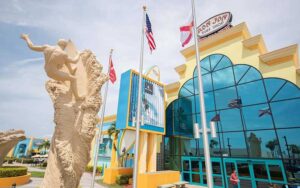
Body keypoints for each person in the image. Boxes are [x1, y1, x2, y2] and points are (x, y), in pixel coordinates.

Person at [20, 34, 84, 100]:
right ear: (64, 46)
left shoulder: (46, 47)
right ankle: (77, 97)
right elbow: (74, 61)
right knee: (73, 79)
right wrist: (78, 54)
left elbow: (31, 46)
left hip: (47, 70)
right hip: (54, 73)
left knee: (65, 59)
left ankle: (71, 70)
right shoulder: (63, 53)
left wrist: (26, 38)